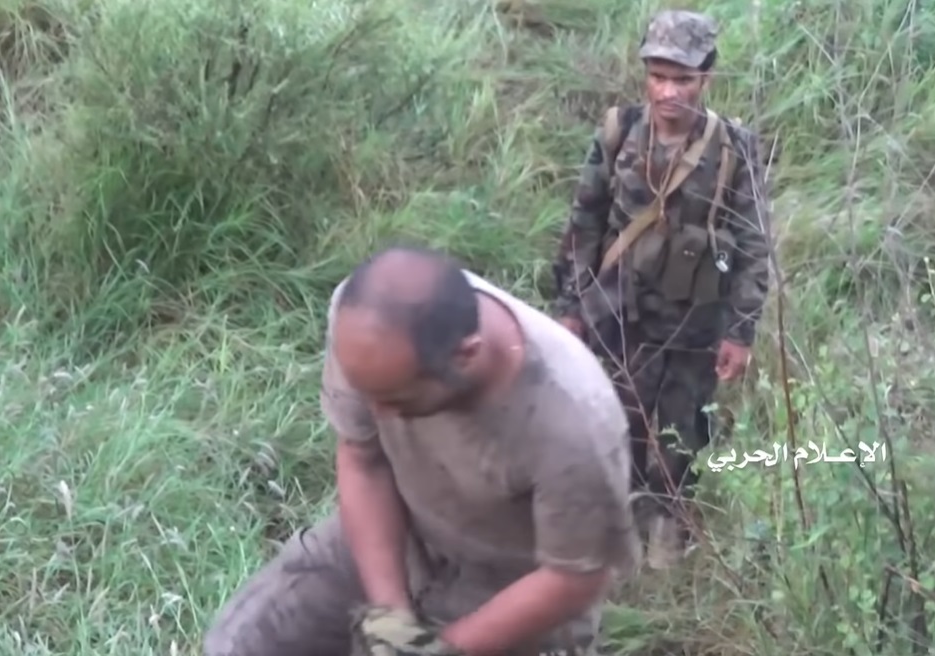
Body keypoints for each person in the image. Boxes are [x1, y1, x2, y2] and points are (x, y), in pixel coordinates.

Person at [203, 245, 642, 656]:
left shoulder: (573, 425)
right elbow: (362, 458)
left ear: (465, 356)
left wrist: (441, 648)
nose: (376, 412)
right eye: (366, 393)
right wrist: (390, 616)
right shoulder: (365, 333)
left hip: (510, 587)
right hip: (402, 530)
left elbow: (574, 578)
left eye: (396, 399)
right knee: (239, 644)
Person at [551, 10, 773, 569]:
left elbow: (754, 247)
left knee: (679, 438)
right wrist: (570, 308)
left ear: (707, 78)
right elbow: (584, 223)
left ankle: (666, 551)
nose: (668, 91)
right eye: (658, 76)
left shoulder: (734, 147)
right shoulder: (618, 131)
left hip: (694, 323)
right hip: (619, 316)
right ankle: (613, 550)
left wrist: (740, 333)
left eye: (684, 79)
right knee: (614, 427)